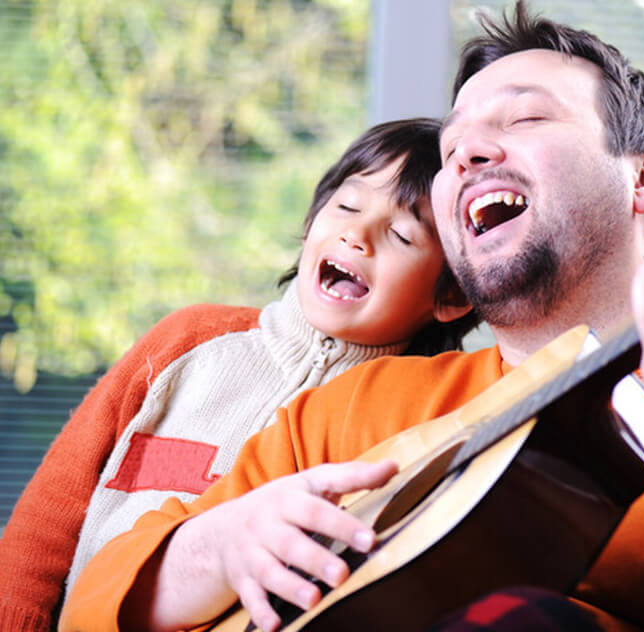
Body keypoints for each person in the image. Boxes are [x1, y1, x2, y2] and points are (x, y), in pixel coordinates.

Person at [60, 1, 644, 631]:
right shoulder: (350, 415)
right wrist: (219, 547)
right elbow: (99, 599)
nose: (470, 150)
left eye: (523, 118)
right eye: (452, 151)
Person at [0, 118, 478, 632]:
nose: (356, 235)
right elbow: (48, 519)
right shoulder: (188, 340)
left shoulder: (406, 420)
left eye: (402, 235)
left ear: (450, 296)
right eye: (347, 205)